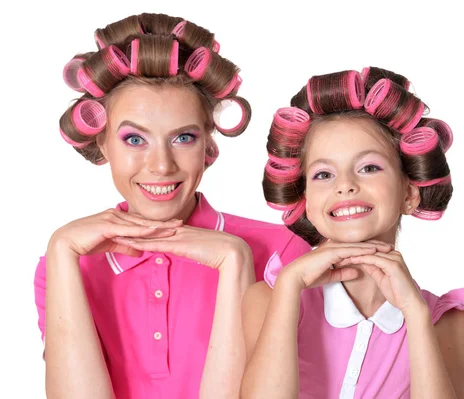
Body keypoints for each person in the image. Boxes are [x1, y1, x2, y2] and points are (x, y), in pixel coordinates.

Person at [34, 13, 310, 399]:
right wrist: (61, 249)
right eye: (134, 140)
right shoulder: (66, 263)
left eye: (183, 137)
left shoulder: (283, 252)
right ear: (102, 144)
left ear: (208, 145)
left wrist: (237, 262)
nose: (161, 165)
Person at [241, 67, 464, 398]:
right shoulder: (269, 298)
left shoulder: (447, 324)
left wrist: (416, 316)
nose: (346, 186)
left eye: (369, 168)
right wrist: (289, 286)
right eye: (323, 174)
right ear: (305, 199)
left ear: (409, 193)